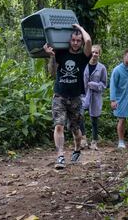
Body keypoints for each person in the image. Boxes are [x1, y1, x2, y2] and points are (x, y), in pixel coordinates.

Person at [44, 24, 92, 169]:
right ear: (69, 41)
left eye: (78, 40)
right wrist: (51, 57)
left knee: (76, 130)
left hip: (76, 97)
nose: (76, 43)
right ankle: (60, 156)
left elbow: (89, 42)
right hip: (59, 95)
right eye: (73, 40)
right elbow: (52, 73)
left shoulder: (83, 56)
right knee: (59, 125)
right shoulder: (61, 53)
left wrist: (80, 27)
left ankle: (77, 150)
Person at [82, 45, 107, 150]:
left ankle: (94, 142)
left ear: (99, 54)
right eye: (93, 52)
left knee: (94, 120)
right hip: (83, 94)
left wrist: (94, 85)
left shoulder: (102, 68)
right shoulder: (83, 65)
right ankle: (83, 140)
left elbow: (104, 84)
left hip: (95, 96)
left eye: (97, 52)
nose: (94, 54)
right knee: (80, 116)